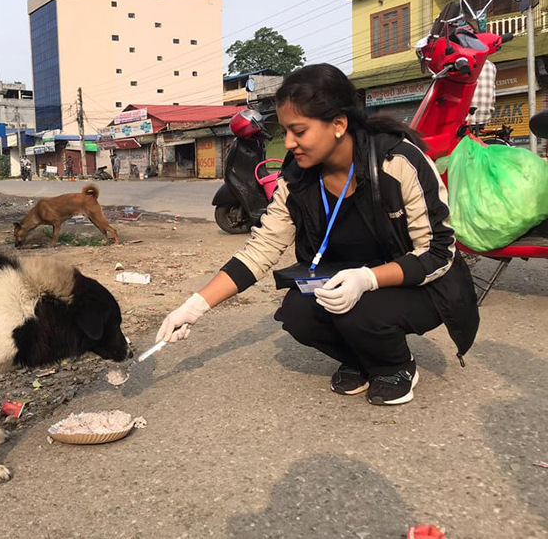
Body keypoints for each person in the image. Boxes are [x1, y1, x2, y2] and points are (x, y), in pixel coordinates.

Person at [156, 64, 479, 406]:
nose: (290, 143)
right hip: (345, 278)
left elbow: (439, 253)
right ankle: (362, 359)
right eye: (285, 131)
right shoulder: (296, 180)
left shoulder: (396, 162)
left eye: (299, 131)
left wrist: (367, 279)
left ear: (338, 124)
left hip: (418, 283)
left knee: (359, 311)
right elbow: (260, 250)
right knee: (298, 312)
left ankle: (396, 366)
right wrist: (194, 306)